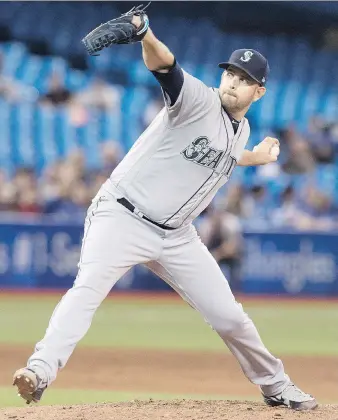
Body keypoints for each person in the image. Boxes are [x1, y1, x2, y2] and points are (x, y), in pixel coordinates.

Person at [13, 9, 317, 411]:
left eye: (244, 80)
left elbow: (218, 153)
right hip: (122, 216)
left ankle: (276, 386)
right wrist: (145, 34)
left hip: (177, 235)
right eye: (230, 74)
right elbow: (167, 67)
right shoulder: (196, 100)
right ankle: (38, 371)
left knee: (230, 317)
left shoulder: (239, 130)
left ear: (258, 92)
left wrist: (253, 157)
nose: (233, 82)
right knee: (86, 292)